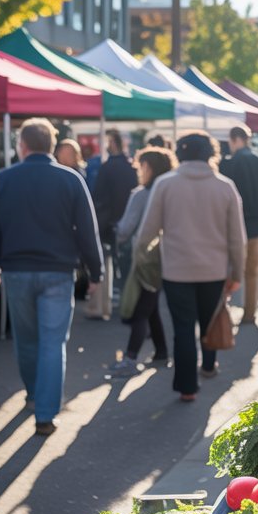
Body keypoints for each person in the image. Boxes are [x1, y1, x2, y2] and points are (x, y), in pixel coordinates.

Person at [0, 117, 103, 435]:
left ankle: (34, 394)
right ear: (52, 145)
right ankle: (46, 412)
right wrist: (96, 271)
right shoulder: (70, 179)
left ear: (21, 145)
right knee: (52, 342)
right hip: (58, 271)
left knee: (27, 338)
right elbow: (88, 230)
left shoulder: (3, 180)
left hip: (17, 271)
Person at [134, 130, 245, 402]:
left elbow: (147, 231)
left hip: (176, 270)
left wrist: (140, 260)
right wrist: (237, 273)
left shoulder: (164, 184)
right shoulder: (225, 186)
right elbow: (237, 238)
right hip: (214, 269)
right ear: (211, 152)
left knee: (183, 327)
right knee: (210, 321)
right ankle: (208, 365)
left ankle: (186, 387)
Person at [109, 146, 176, 375]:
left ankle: (130, 358)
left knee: (140, 308)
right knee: (151, 305)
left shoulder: (142, 194)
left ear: (149, 167)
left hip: (143, 256)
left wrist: (113, 232)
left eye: (142, 166)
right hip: (167, 256)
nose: (139, 171)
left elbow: (126, 228)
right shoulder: (171, 190)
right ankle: (161, 352)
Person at [219, 124, 258, 325]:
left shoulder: (229, 164)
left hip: (234, 227)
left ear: (235, 139)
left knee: (229, 272)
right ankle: (250, 313)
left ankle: (222, 313)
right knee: (253, 274)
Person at [87, 128, 137, 320]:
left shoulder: (107, 167)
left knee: (107, 266)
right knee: (126, 267)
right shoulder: (131, 166)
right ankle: (127, 305)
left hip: (109, 223)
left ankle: (104, 306)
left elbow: (99, 197)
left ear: (113, 143)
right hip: (128, 223)